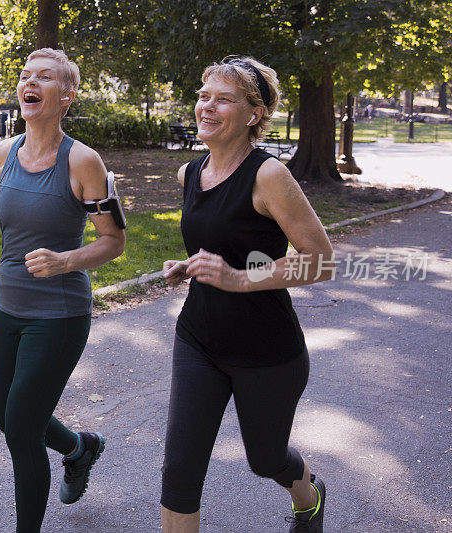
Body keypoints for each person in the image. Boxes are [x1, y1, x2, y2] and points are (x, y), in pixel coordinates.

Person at [0, 48, 125, 533]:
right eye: (24, 75)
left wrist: (64, 260)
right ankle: (81, 448)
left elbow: (113, 241)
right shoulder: (4, 153)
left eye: (44, 76)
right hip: (8, 308)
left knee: (21, 430)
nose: (29, 82)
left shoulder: (84, 162)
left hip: (58, 316)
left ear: (67, 95)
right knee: (9, 418)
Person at [159, 56, 334, 533]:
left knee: (265, 460)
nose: (206, 106)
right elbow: (221, 240)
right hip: (199, 339)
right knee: (180, 472)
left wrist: (237, 278)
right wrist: (190, 265)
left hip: (266, 351)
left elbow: (320, 260)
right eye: (203, 96)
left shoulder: (268, 175)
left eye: (224, 99)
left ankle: (310, 494)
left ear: (254, 114)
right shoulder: (189, 174)